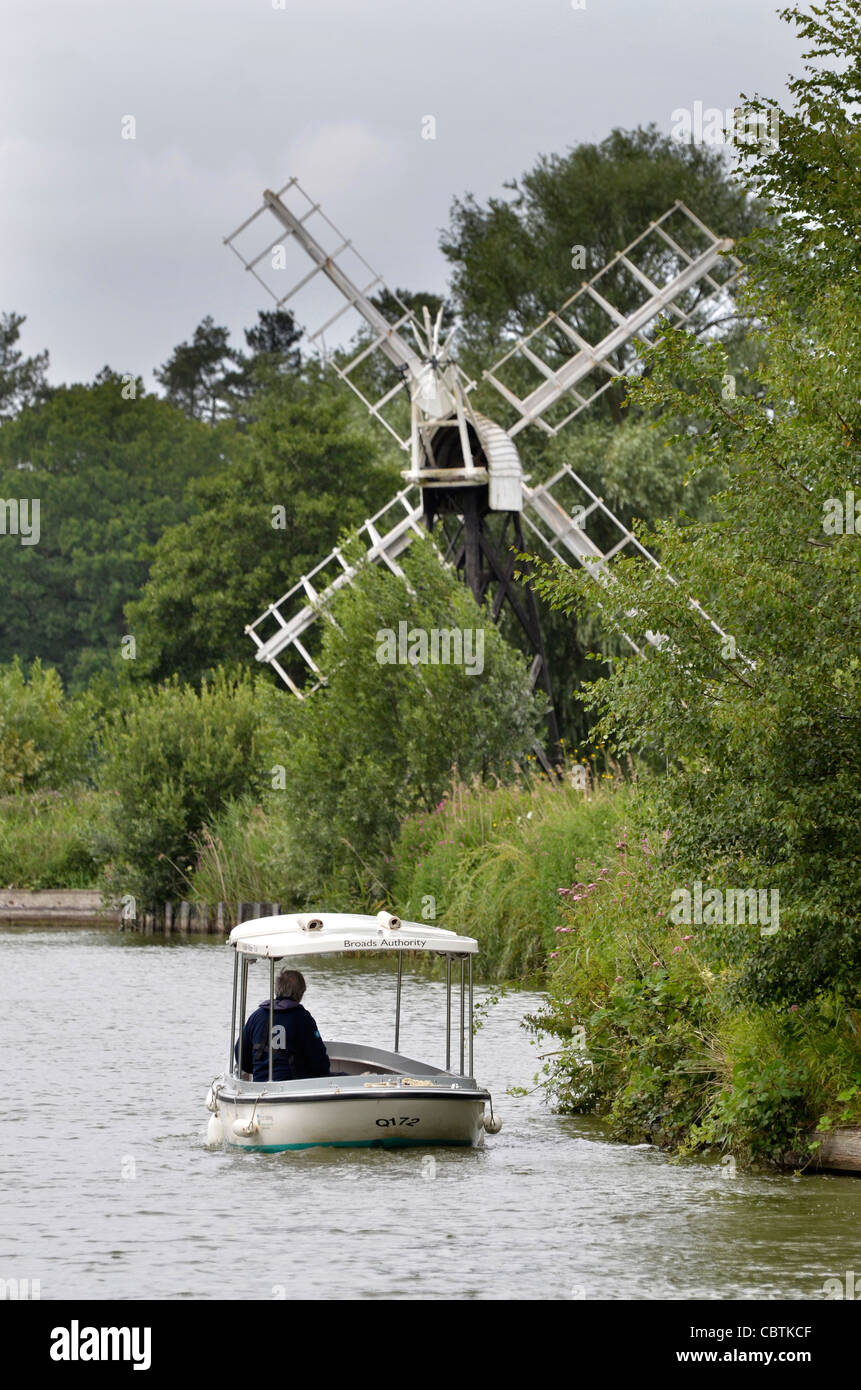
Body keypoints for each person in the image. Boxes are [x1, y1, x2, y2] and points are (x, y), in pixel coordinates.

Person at [236, 967, 330, 1082]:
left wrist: (257, 1070)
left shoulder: (256, 1016)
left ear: (277, 989)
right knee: (344, 1076)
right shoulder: (303, 1018)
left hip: (259, 1085)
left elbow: (240, 1056)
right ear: (300, 993)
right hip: (293, 1088)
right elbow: (320, 1063)